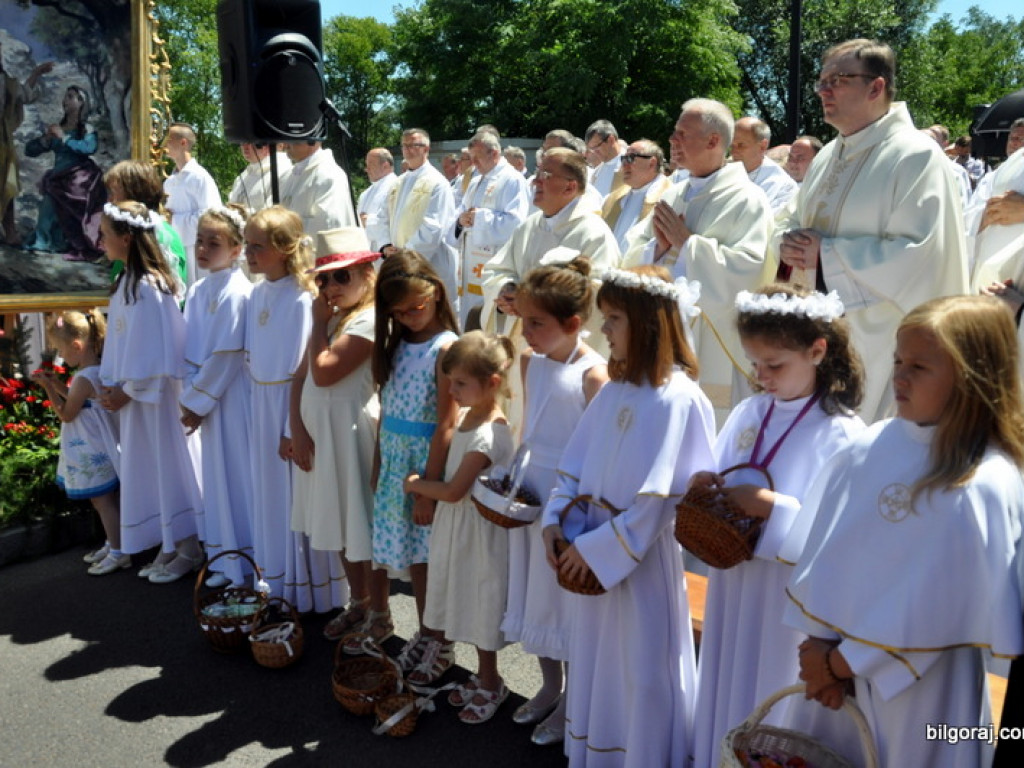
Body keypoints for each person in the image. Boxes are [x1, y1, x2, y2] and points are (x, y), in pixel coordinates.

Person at [780, 295, 1024, 768]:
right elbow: (828, 554)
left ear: (972, 379)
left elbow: (934, 602)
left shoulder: (985, 482)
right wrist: (818, 650)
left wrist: (841, 664)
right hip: (831, 680)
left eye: (919, 366)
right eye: (897, 360)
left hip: (925, 693)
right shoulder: (872, 444)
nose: (900, 376)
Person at [541, 266, 714, 765]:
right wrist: (556, 527)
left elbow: (661, 502)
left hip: (639, 572)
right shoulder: (614, 392)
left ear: (649, 324)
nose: (603, 331)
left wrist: (594, 551)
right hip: (587, 562)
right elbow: (570, 470)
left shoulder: (681, 400)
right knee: (596, 667)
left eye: (613, 318)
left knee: (643, 674)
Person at [688, 284, 866, 767]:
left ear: (817, 350)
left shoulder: (841, 433)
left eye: (775, 365)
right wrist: (707, 482)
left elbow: (842, 534)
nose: (761, 377)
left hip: (786, 599)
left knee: (769, 694)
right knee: (724, 683)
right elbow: (724, 470)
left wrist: (771, 506)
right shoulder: (749, 412)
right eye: (754, 365)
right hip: (734, 578)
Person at [774, 39, 968, 423]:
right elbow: (791, 217)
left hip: (882, 339)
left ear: (876, 87)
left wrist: (825, 255)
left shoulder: (915, 155)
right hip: (822, 332)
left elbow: (920, 253)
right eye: (821, 81)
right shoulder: (829, 154)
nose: (824, 91)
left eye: (838, 80)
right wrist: (788, 242)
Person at [500, 259, 608, 746]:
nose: (527, 332)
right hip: (532, 489)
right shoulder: (529, 360)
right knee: (535, 596)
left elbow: (596, 455)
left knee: (564, 602)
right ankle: (549, 686)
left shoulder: (594, 376)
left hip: (567, 502)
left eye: (537, 323)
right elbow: (529, 426)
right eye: (524, 321)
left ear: (573, 324)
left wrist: (572, 513)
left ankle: (573, 703)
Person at [339, 251, 459, 683]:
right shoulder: (398, 345)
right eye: (399, 312)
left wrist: (427, 485)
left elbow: (446, 422)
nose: (409, 317)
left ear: (436, 291)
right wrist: (379, 462)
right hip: (394, 460)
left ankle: (437, 637)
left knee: (428, 558)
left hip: (422, 467)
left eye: (416, 307)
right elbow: (388, 409)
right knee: (410, 554)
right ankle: (425, 634)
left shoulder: (445, 347)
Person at [625, 98, 773, 421]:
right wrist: (659, 251)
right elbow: (631, 252)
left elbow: (750, 270)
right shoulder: (673, 194)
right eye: (674, 133)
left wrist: (688, 244)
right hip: (659, 335)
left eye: (682, 134)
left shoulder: (748, 199)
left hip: (713, 347)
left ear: (713, 141)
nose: (672, 141)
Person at [404, 331, 516, 724]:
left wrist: (417, 485)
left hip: (479, 536)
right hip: (461, 530)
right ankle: (482, 676)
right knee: (464, 599)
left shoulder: (490, 433)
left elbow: (454, 490)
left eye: (461, 383)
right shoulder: (471, 416)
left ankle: (491, 682)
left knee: (482, 605)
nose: (451, 390)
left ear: (493, 383)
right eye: (450, 381)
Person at [244, 205, 346, 612]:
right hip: (260, 405)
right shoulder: (255, 293)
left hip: (290, 409)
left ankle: (311, 589)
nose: (248, 254)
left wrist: (293, 428)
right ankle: (277, 582)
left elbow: (301, 368)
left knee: (295, 499)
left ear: (285, 249)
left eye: (257, 247)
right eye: (247, 246)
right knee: (268, 496)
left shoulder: (305, 297)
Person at [97, 201, 203, 583]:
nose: (100, 242)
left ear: (126, 238)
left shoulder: (150, 287)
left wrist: (128, 389)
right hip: (136, 399)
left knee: (169, 466)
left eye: (105, 235)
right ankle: (169, 541)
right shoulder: (127, 282)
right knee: (149, 469)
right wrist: (113, 385)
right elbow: (124, 344)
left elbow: (163, 351)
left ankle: (188, 546)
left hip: (156, 400)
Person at [288, 227, 380, 641]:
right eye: (323, 278)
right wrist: (296, 430)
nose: (330, 286)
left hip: (352, 431)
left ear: (367, 274)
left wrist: (318, 323)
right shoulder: (333, 318)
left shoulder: (370, 320)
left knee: (361, 525)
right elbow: (299, 376)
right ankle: (358, 602)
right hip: (321, 434)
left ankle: (379, 612)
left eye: (342, 276)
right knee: (342, 525)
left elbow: (325, 372)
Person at [179, 205, 253, 589]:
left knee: (237, 475)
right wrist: (189, 396)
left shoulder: (239, 293)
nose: (203, 249)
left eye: (215, 242)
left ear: (238, 249)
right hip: (207, 397)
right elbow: (190, 350)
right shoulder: (198, 289)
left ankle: (247, 561)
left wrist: (194, 402)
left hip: (234, 397)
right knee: (216, 476)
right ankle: (224, 560)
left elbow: (227, 355)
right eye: (200, 242)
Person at [34, 309, 121, 575]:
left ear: (76, 345)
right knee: (108, 499)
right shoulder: (94, 371)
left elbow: (67, 413)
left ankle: (118, 551)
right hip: (100, 443)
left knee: (102, 501)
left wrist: (48, 389)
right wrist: (59, 384)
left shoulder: (84, 377)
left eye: (62, 349)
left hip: (90, 446)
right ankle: (114, 542)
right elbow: (77, 397)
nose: (61, 356)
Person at [449, 131, 530, 328]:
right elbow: (460, 212)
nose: (473, 164)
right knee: (471, 317)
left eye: (477, 158)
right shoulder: (476, 181)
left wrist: (479, 218)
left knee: (492, 322)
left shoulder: (512, 179)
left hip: (496, 263)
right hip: (470, 264)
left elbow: (516, 223)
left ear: (494, 153)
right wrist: (461, 220)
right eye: (471, 158)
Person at [379, 129, 460, 310]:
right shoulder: (398, 182)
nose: (408, 150)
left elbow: (434, 227)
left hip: (429, 263)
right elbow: (382, 217)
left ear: (426, 149)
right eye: (405, 145)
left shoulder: (437, 183)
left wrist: (405, 255)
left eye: (414, 145)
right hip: (399, 262)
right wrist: (385, 246)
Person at [23, 85, 105, 261]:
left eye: (70, 97)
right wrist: (44, 141)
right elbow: (29, 150)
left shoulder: (86, 129)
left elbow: (89, 148)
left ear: (81, 102)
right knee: (48, 204)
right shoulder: (59, 127)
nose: (65, 100)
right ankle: (45, 241)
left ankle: (76, 242)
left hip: (80, 179)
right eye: (65, 97)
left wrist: (64, 138)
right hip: (60, 178)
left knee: (69, 204)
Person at [103, 160, 187, 293]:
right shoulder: (129, 237)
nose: (110, 200)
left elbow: (169, 296)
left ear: (134, 194)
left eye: (114, 193)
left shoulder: (163, 237)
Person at [1, 40, 52, 246]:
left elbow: (24, 95)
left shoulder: (6, 81)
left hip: (1, 141)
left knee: (6, 184)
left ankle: (10, 231)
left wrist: (36, 74)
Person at [162, 122, 221, 286]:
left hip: (197, 252)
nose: (165, 144)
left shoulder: (200, 178)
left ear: (183, 143)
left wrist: (174, 221)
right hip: (175, 249)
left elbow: (212, 216)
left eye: (169, 139)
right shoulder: (169, 182)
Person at [601, 139, 672, 253]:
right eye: (623, 159)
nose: (624, 165)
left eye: (631, 158)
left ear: (652, 163)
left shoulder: (669, 197)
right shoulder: (613, 199)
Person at [278, 140, 357, 237]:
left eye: (291, 137)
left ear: (312, 140)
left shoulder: (329, 174)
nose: (284, 143)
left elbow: (330, 225)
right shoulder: (287, 176)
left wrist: (285, 231)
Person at [731, 116, 799, 213]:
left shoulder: (784, 187)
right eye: (732, 146)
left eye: (741, 145)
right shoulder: (722, 174)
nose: (734, 152)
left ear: (763, 146)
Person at [227, 142, 291, 215]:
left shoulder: (283, 173)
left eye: (250, 142)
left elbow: (271, 217)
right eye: (242, 142)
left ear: (266, 145)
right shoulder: (244, 175)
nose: (245, 146)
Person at [356, 147, 397, 252]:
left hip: (387, 254)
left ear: (385, 166)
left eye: (370, 165)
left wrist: (368, 221)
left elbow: (396, 222)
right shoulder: (365, 194)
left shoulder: (397, 187)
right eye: (366, 165)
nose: (366, 169)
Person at [583, 119, 625, 199]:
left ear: (611, 140)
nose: (594, 153)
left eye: (596, 147)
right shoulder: (596, 172)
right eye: (591, 149)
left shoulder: (629, 165)